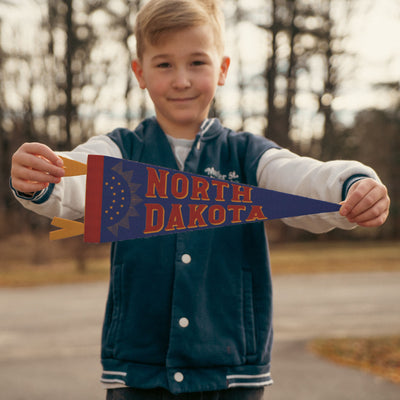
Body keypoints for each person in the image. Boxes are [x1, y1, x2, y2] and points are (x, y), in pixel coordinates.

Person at [10, 0, 390, 399]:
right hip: (138, 374)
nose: (181, 80)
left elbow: (301, 178)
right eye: (163, 64)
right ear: (139, 72)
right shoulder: (121, 150)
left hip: (232, 375)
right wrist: (43, 177)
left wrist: (352, 184)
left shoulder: (246, 155)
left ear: (222, 69)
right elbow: (79, 181)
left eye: (196, 62)